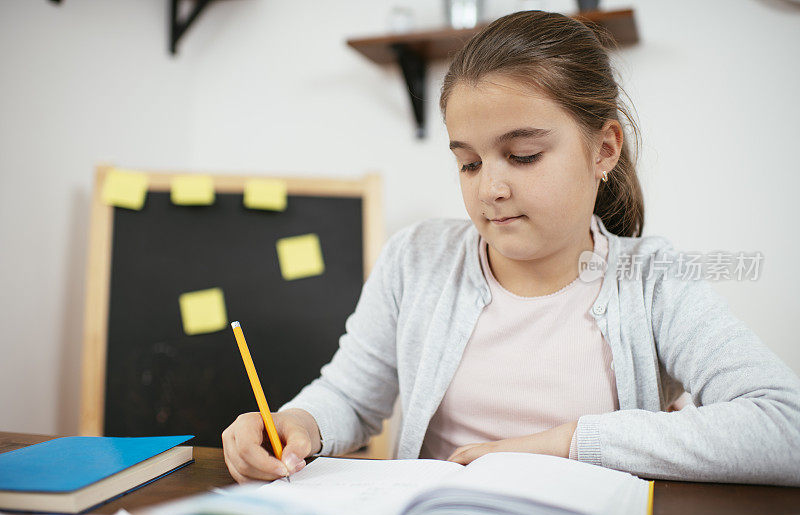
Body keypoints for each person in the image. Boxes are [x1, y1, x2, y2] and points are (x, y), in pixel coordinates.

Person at [221, 10, 800, 486]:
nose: (489, 189)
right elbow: (350, 395)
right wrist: (298, 422)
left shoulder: (652, 278)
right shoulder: (416, 258)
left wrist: (567, 444)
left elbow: (785, 426)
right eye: (467, 162)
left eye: (523, 156)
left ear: (604, 150)